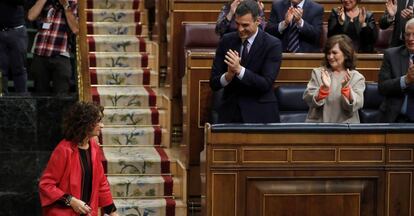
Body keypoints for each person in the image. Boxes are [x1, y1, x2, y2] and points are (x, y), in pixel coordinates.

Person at [38, 101, 119, 216]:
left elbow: (101, 183)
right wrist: (70, 200)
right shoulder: (64, 150)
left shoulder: (94, 146)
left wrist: (112, 212)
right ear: (86, 123)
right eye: (98, 121)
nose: (102, 125)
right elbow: (46, 185)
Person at [210, 0, 282, 123]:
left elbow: (265, 83)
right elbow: (214, 83)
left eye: (245, 25)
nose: (240, 29)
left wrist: (239, 70)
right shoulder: (227, 41)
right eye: (237, 24)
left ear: (258, 21)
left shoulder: (272, 44)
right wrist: (228, 76)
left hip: (261, 113)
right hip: (231, 113)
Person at [303, 34, 366, 123]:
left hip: (345, 129)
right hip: (319, 127)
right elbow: (308, 99)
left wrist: (346, 89)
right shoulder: (319, 73)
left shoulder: (356, 77)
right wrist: (324, 89)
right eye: (328, 53)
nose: (330, 57)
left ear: (346, 55)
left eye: (334, 53)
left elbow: (357, 104)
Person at [28, 0, 79, 94]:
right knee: (40, 94)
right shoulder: (46, 2)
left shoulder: (73, 3)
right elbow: (31, 16)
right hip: (40, 52)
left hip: (61, 53)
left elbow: (76, 29)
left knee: (61, 95)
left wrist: (65, 6)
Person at [378, 18, 414, 123]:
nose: (410, 38)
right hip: (394, 119)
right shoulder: (392, 55)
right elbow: (382, 87)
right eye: (407, 34)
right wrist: (405, 80)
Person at [0, 0, 28, 94]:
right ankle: (2, 100)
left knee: (19, 68)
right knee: (1, 70)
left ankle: (23, 102)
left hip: (16, 30)